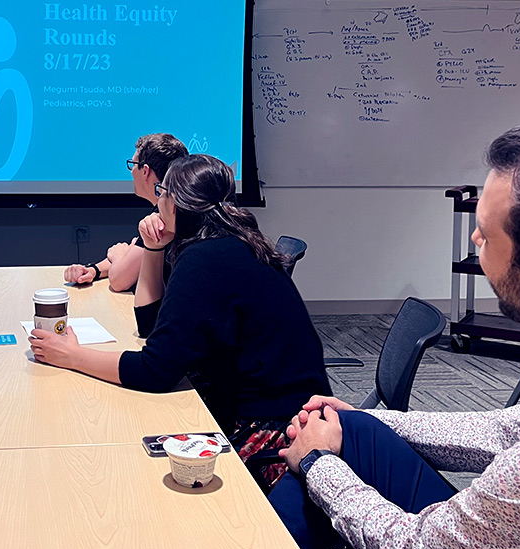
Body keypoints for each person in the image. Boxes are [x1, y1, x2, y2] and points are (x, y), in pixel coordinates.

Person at [269, 122, 520, 549]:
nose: (474, 238)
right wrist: (363, 419)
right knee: (351, 428)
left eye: (487, 236)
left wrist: (319, 463)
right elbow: (503, 432)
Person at [31, 154, 331, 446]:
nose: (157, 201)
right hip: (295, 414)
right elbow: (151, 325)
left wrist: (72, 356)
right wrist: (153, 248)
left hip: (275, 431)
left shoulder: (205, 259)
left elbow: (155, 371)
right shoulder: (231, 241)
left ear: (174, 203)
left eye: (161, 192)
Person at [63, 133, 188, 292]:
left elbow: (119, 280)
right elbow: (134, 259)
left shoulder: (162, 218)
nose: (131, 172)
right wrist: (93, 270)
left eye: (133, 164)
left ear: (145, 171)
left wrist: (118, 255)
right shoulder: (176, 209)